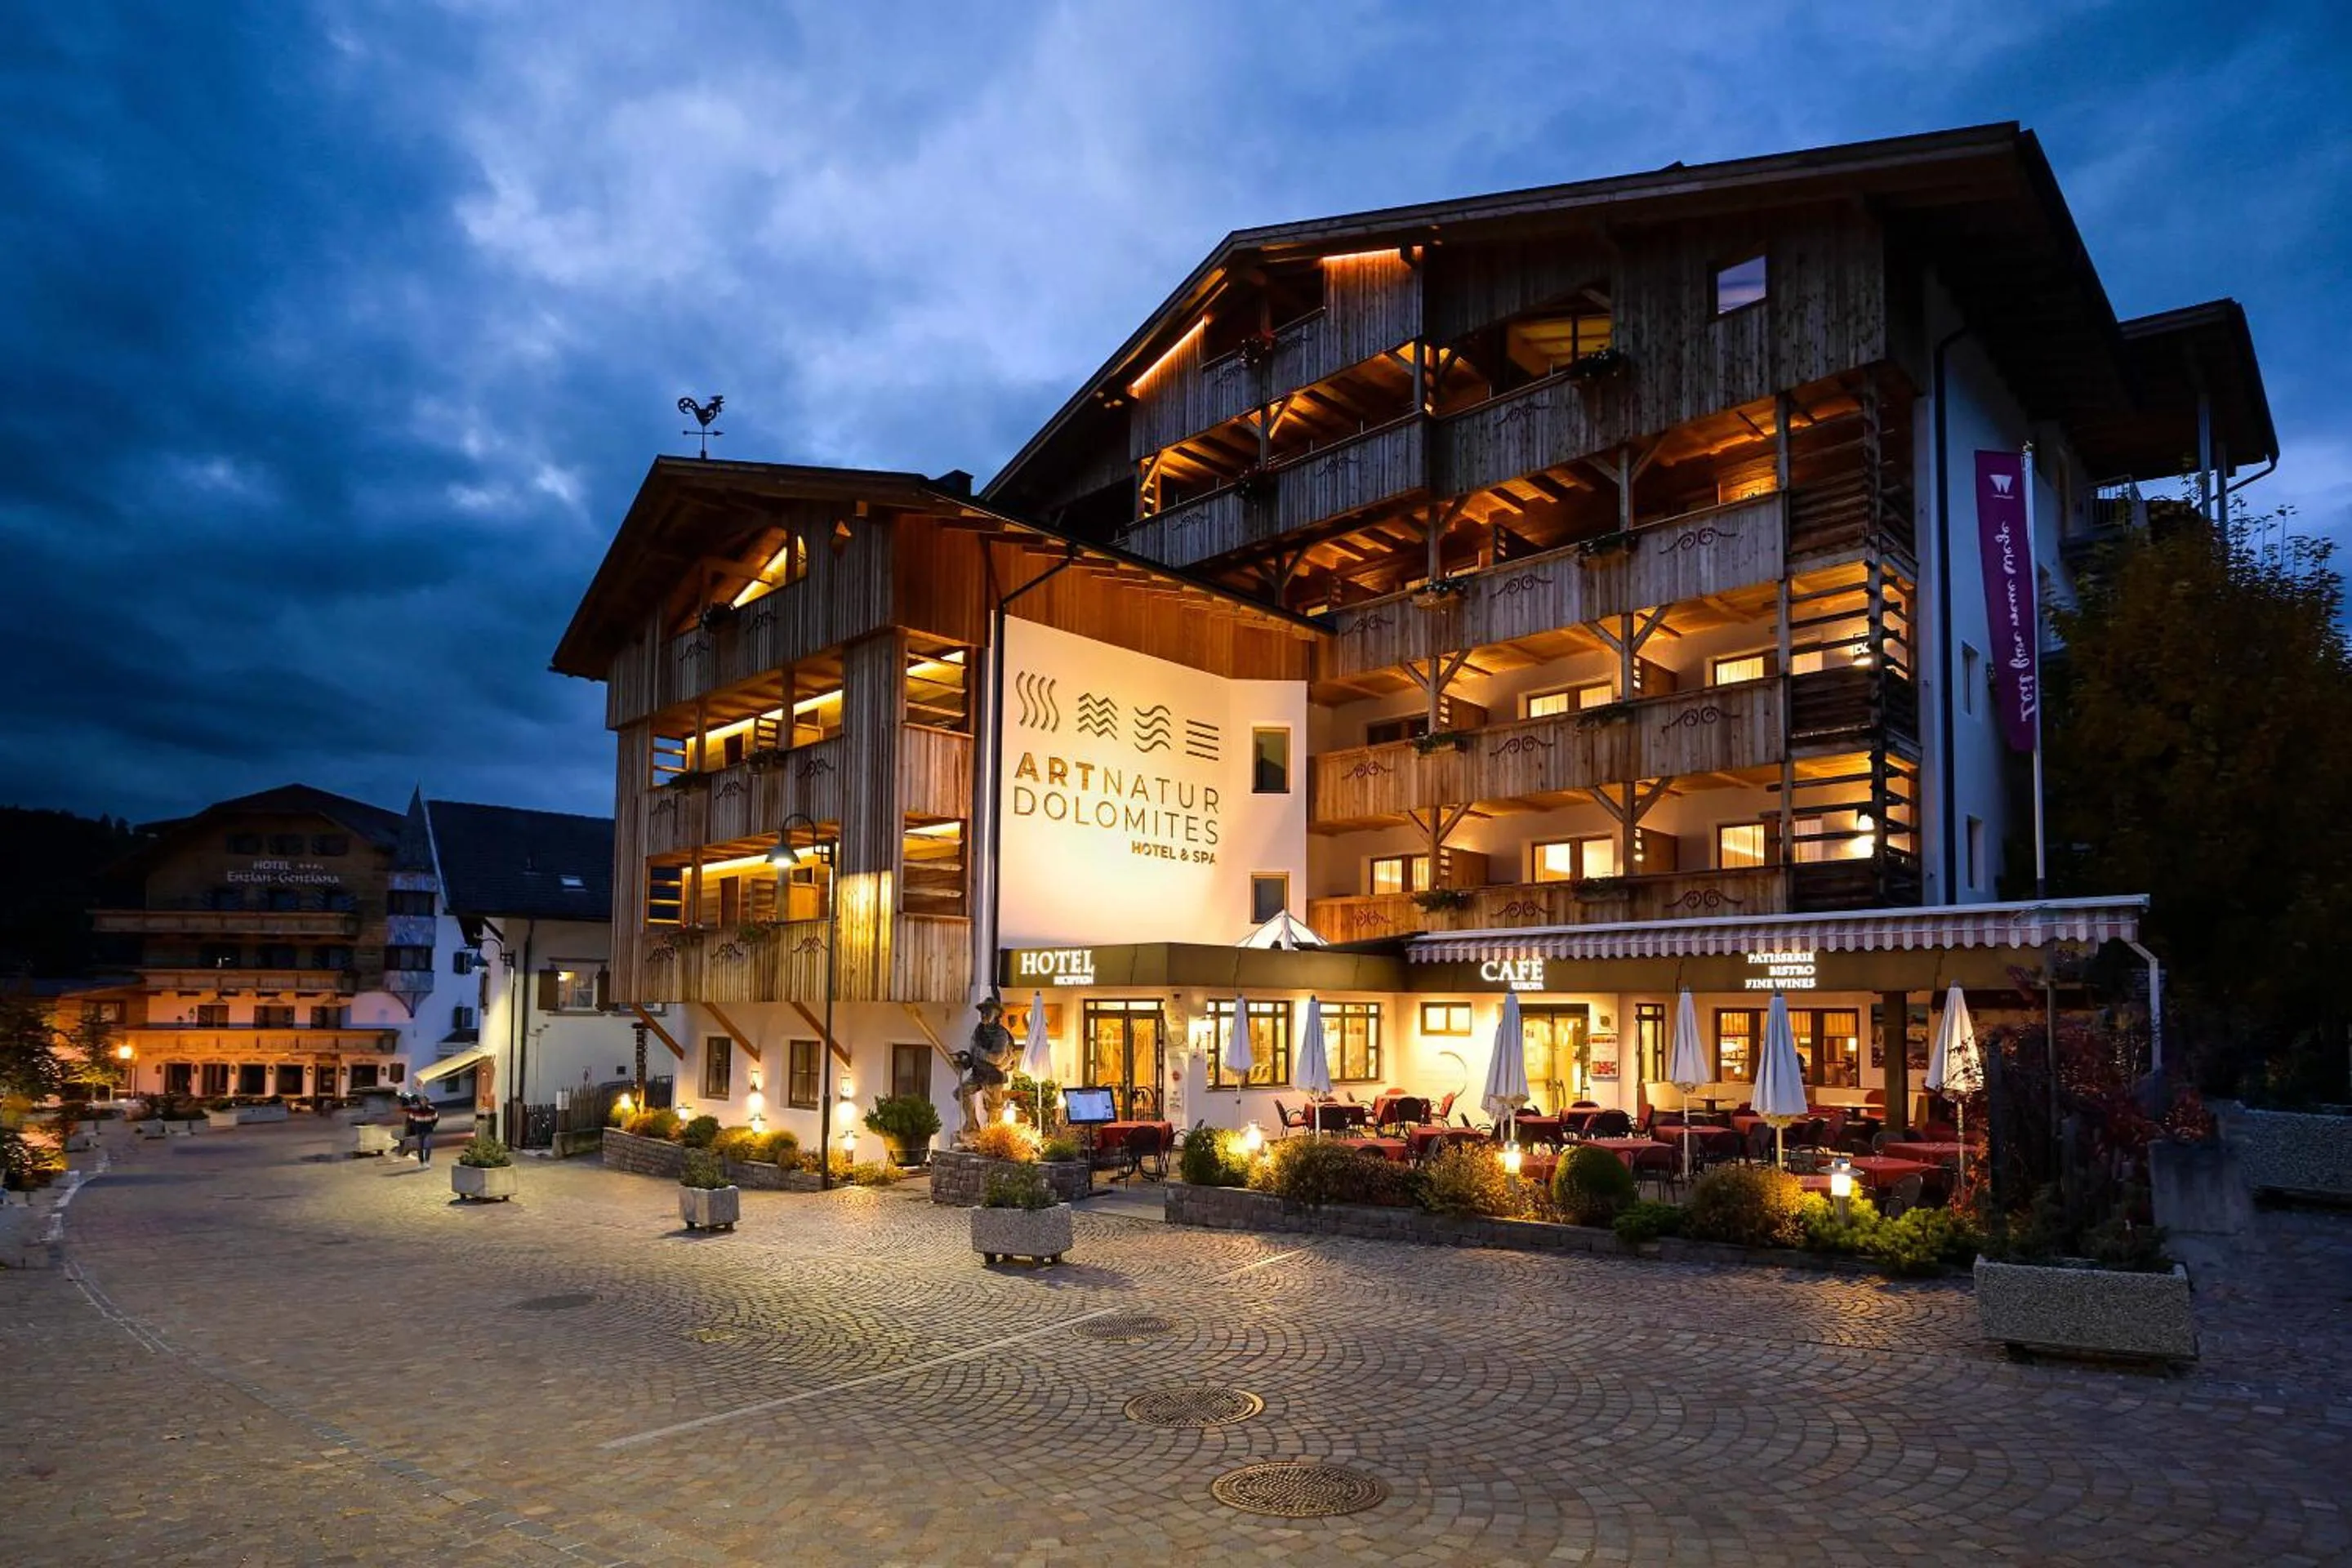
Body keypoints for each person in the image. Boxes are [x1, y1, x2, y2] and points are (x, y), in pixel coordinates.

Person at [403, 1093, 440, 1165]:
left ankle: (427, 1162)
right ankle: (421, 1163)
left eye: (425, 1101)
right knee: (420, 1147)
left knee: (428, 1147)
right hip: (419, 1130)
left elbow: (436, 1118)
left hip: (428, 1130)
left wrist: (432, 1125)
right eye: (422, 1100)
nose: (423, 1102)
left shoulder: (432, 1110)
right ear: (420, 1101)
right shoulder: (415, 1110)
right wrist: (414, 1127)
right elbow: (410, 1120)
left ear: (428, 1102)